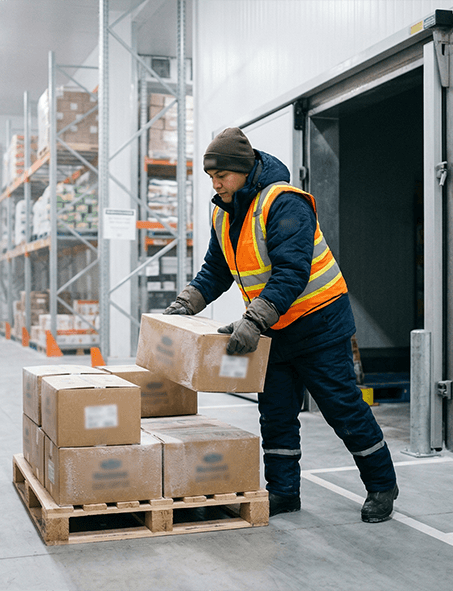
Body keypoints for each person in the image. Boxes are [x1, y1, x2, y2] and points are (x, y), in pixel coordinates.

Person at [164, 127, 398, 523]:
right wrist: (186, 302)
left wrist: (252, 320)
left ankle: (381, 485)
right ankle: (284, 492)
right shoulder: (224, 212)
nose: (216, 183)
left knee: (342, 409)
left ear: (243, 170)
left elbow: (292, 271)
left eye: (222, 175)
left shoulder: (285, 203)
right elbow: (216, 269)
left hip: (318, 324)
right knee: (275, 416)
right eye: (210, 177)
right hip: (274, 331)